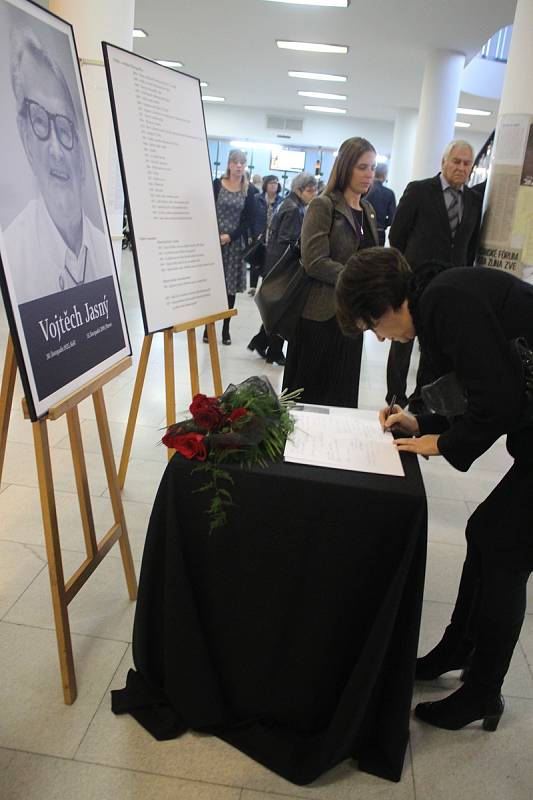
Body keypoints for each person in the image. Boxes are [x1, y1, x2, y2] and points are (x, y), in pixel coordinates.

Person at [336, 246, 533, 732]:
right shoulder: (438, 298)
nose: (380, 339)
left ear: (386, 304)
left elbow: (501, 401)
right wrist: (421, 420)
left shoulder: (444, 301)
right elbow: (478, 387)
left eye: (372, 326)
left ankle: (483, 692)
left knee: (503, 545)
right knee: (486, 531)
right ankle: (457, 648)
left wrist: (442, 442)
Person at [3, 28, 110, 305]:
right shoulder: (13, 251)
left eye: (64, 127)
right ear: (26, 137)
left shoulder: (103, 252)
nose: (56, 149)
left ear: (81, 154)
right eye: (39, 120)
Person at [282, 137, 379, 407]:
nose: (369, 174)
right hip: (319, 315)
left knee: (342, 397)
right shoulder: (323, 205)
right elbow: (314, 261)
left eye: (372, 167)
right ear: (346, 167)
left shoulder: (368, 210)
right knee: (307, 399)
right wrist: (357, 278)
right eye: (362, 167)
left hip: (352, 318)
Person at [387, 140, 483, 411]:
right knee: (402, 340)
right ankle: (395, 396)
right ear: (443, 162)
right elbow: (397, 234)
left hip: (450, 285)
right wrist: (404, 270)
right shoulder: (419, 191)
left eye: (466, 163)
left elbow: (471, 244)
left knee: (434, 345)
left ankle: (421, 400)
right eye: (456, 161)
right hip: (414, 280)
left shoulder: (474, 201)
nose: (461, 167)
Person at [247, 172, 317, 365]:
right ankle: (273, 350)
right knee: (282, 308)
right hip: (283, 266)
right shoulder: (294, 209)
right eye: (310, 190)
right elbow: (287, 239)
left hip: (276, 262)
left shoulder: (289, 203)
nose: (314, 194)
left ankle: (262, 342)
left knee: (279, 308)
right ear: (298, 190)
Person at [208, 149, 255, 345]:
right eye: (235, 162)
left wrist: (230, 236)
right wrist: (214, 234)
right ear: (229, 164)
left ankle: (226, 329)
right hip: (213, 242)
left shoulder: (249, 190)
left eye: (242, 163)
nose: (238, 166)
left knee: (229, 289)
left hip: (234, 245)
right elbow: (208, 208)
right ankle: (207, 327)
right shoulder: (217, 184)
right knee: (211, 286)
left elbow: (248, 220)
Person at [248, 174, 282, 296]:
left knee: (268, 262)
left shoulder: (281, 201)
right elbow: (251, 217)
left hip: (273, 236)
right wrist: (251, 234)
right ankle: (252, 286)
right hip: (258, 234)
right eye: (271, 183)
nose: (274, 185)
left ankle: (264, 287)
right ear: (265, 185)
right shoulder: (257, 198)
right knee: (256, 260)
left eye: (276, 183)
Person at [364, 163, 396, 245]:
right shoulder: (389, 193)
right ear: (385, 175)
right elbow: (392, 218)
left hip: (364, 230)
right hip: (379, 232)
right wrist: (383, 224)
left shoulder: (365, 190)